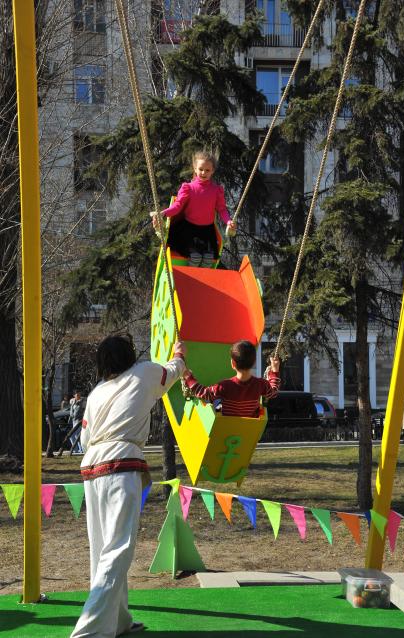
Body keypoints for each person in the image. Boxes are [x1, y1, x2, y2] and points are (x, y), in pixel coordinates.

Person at [70, 335, 186, 638]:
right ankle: (89, 631)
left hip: (92, 468)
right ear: (130, 355)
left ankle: (118, 620)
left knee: (103, 550)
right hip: (121, 463)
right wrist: (180, 355)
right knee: (117, 549)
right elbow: (172, 372)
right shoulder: (144, 372)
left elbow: (83, 441)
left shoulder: (96, 393)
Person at [152, 150, 236, 267]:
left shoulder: (216, 190)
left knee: (208, 259)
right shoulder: (188, 188)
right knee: (195, 258)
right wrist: (163, 213)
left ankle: (202, 280)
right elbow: (177, 206)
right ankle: (191, 277)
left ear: (212, 171)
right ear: (195, 168)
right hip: (189, 231)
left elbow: (221, 209)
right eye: (201, 169)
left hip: (207, 231)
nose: (203, 172)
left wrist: (228, 221)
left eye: (207, 170)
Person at [183, 340, 280, 418]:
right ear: (254, 362)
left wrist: (189, 378)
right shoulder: (260, 385)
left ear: (233, 363)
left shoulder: (224, 386)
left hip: (227, 429)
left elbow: (204, 394)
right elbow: (273, 392)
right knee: (217, 403)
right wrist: (274, 371)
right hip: (249, 431)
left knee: (216, 404)